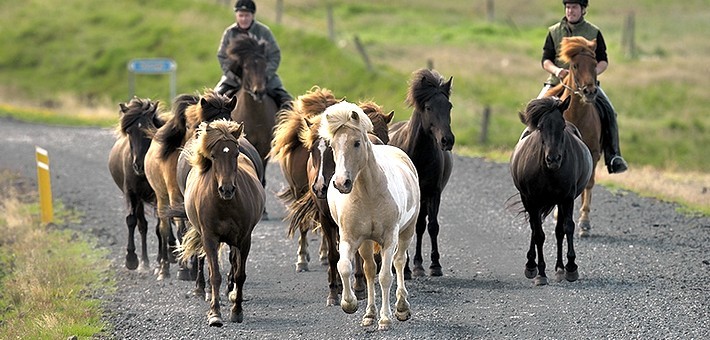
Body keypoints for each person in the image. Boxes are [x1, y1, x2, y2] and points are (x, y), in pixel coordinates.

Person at [538, 0, 628, 174]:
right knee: (535, 108)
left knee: (610, 111)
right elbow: (545, 60)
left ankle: (614, 156)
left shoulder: (593, 32)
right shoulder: (554, 31)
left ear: (583, 10)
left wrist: (591, 75)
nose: (570, 11)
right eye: (568, 7)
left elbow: (603, 61)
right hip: (557, 82)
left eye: (575, 7)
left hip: (587, 86)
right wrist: (557, 71)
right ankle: (524, 147)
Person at [215, 0, 293, 110]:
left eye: (247, 15)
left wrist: (264, 75)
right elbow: (222, 56)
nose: (244, 19)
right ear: (236, 15)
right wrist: (234, 76)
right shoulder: (229, 33)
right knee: (213, 101)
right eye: (241, 15)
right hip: (234, 79)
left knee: (288, 102)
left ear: (253, 15)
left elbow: (275, 55)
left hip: (263, 77)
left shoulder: (264, 31)